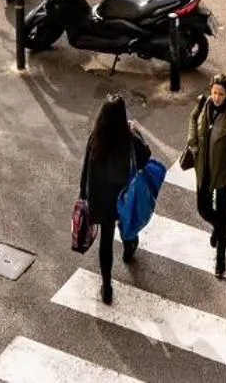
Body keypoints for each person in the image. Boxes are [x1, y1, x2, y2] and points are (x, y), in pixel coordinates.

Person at [80, 93, 151, 305]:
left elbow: (86, 169)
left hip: (101, 199)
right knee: (128, 224)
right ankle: (129, 249)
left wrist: (83, 195)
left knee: (106, 240)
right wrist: (137, 130)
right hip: (125, 194)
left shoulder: (95, 137)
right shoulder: (129, 138)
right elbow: (146, 155)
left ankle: (107, 285)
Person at [185, 72, 226, 276]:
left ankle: (220, 259)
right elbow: (192, 118)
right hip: (204, 167)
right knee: (203, 208)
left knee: (224, 213)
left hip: (224, 172)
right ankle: (219, 227)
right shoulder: (203, 104)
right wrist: (192, 140)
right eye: (215, 92)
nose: (217, 97)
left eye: (221, 94)